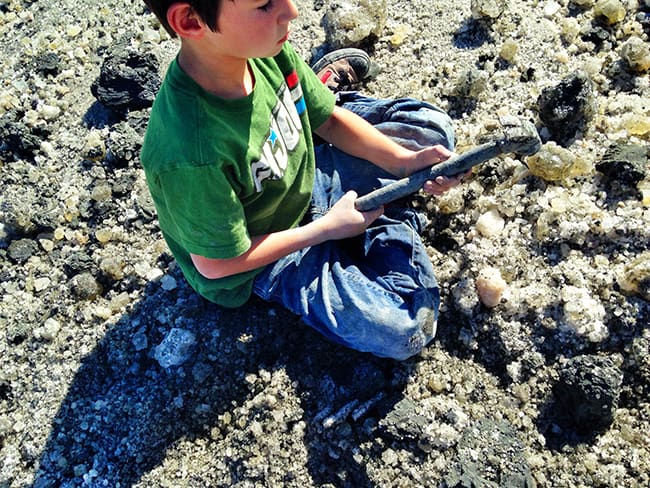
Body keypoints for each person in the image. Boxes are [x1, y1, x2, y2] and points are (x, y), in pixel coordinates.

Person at [140, 0, 462, 360]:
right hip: (270, 253)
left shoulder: (261, 49)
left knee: (433, 134)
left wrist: (404, 163)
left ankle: (324, 96)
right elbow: (216, 265)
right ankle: (387, 213)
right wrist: (326, 229)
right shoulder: (190, 153)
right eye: (264, 5)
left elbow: (329, 121)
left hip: (309, 170)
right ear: (190, 20)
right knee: (407, 329)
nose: (291, 11)